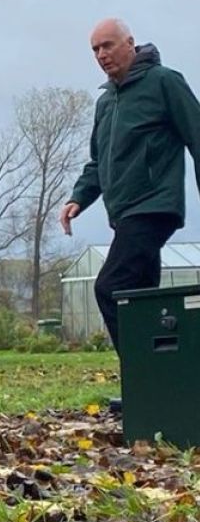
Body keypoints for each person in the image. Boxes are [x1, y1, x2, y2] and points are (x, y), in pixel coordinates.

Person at [61, 17, 200, 352]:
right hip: (123, 213)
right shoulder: (106, 102)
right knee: (143, 299)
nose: (101, 55)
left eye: (107, 45)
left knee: (111, 287)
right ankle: (164, 376)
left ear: (129, 44)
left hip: (154, 205)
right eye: (95, 49)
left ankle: (141, 372)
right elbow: (98, 161)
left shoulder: (164, 82)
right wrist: (78, 198)